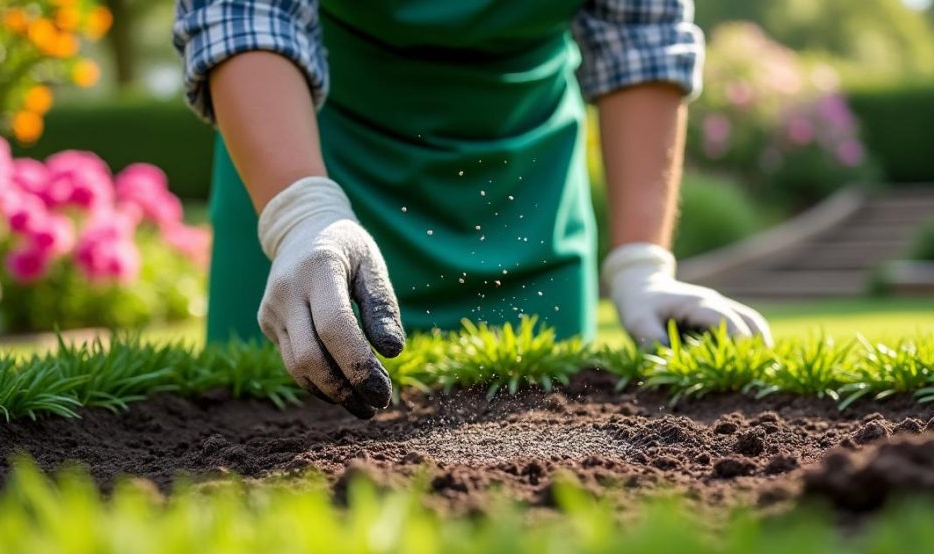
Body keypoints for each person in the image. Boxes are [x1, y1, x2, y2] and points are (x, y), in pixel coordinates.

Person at [173, 0, 772, 419]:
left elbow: (640, 34)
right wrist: (299, 213)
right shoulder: (300, 196)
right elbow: (245, 12)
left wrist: (642, 262)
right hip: (306, 156)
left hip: (521, 183)